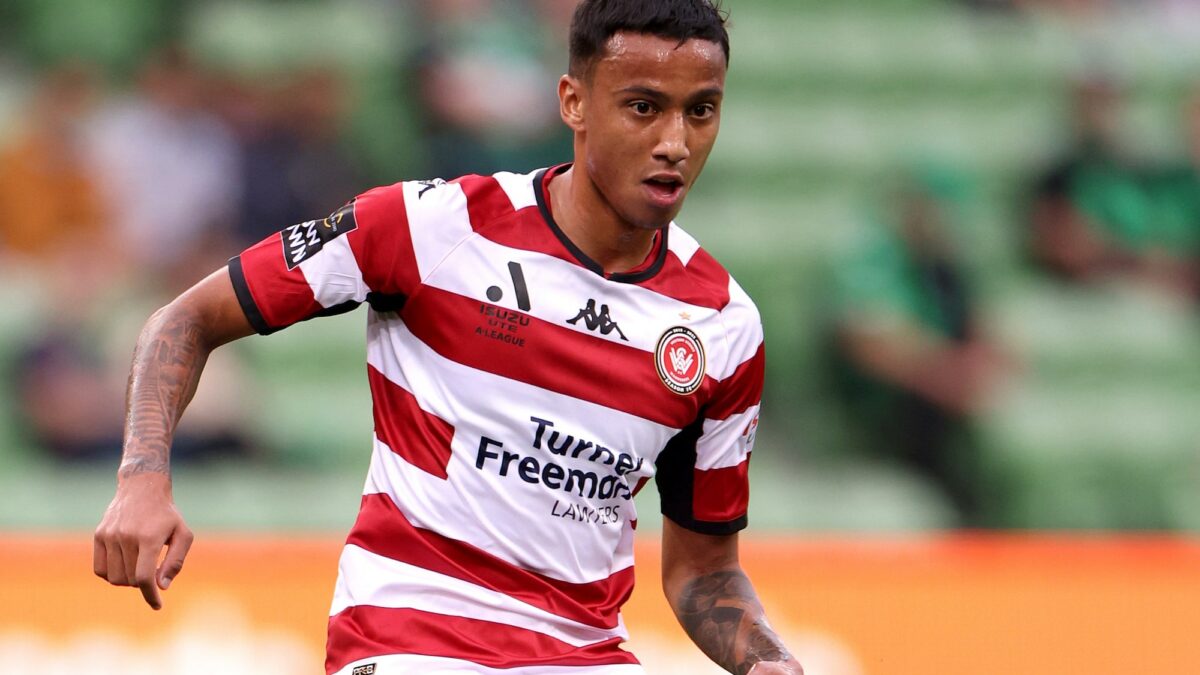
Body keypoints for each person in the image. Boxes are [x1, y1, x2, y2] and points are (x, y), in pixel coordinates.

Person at [93, 2, 802, 674]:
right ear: (574, 102)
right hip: (411, 640)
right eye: (644, 107)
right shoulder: (432, 228)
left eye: (700, 110)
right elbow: (183, 319)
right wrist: (142, 478)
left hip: (584, 655)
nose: (675, 142)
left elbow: (705, 571)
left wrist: (767, 657)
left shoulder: (722, 324)